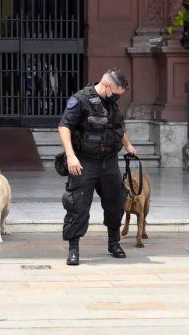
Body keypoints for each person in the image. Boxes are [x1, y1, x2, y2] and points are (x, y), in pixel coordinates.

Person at [58, 67, 137, 266]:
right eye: (118, 93)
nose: (118, 97)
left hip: (109, 161)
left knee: (116, 201)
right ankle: (74, 249)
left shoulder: (111, 101)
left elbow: (116, 126)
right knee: (78, 205)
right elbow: (64, 126)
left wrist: (127, 145)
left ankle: (114, 243)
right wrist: (70, 156)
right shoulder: (81, 99)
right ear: (107, 86)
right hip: (85, 162)